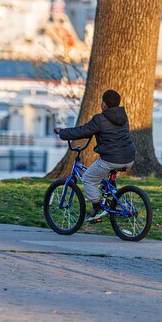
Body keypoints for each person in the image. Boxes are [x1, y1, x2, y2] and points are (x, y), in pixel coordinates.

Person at [54, 89, 135, 223]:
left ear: (104, 104)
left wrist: (62, 132)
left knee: (88, 179)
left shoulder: (100, 119)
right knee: (107, 179)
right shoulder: (123, 117)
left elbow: (81, 131)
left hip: (111, 159)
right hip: (128, 158)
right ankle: (109, 195)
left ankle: (97, 209)